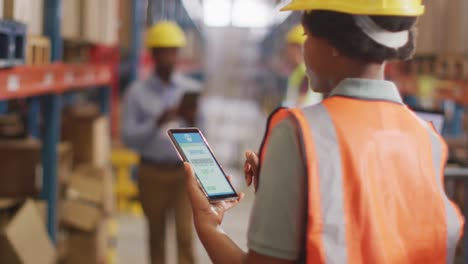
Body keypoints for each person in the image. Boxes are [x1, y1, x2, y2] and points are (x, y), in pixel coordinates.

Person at [183, 0, 465, 263]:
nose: (303, 50)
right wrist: (286, 187)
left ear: (335, 44)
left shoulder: (297, 133)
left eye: (306, 36)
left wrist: (207, 224)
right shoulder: (427, 138)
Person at [122, 21, 200, 264]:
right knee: (156, 235)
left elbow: (203, 135)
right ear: (153, 54)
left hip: (183, 174)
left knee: (186, 236)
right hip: (151, 173)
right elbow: (128, 137)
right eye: (163, 51)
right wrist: (156, 121)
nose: (169, 57)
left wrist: (192, 122)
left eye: (173, 51)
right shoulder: (136, 93)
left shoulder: (190, 90)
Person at [283, 24, 322, 107]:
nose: (287, 51)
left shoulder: (304, 70)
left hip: (303, 117)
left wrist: (288, 118)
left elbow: (301, 101)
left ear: (297, 48)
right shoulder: (300, 70)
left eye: (289, 46)